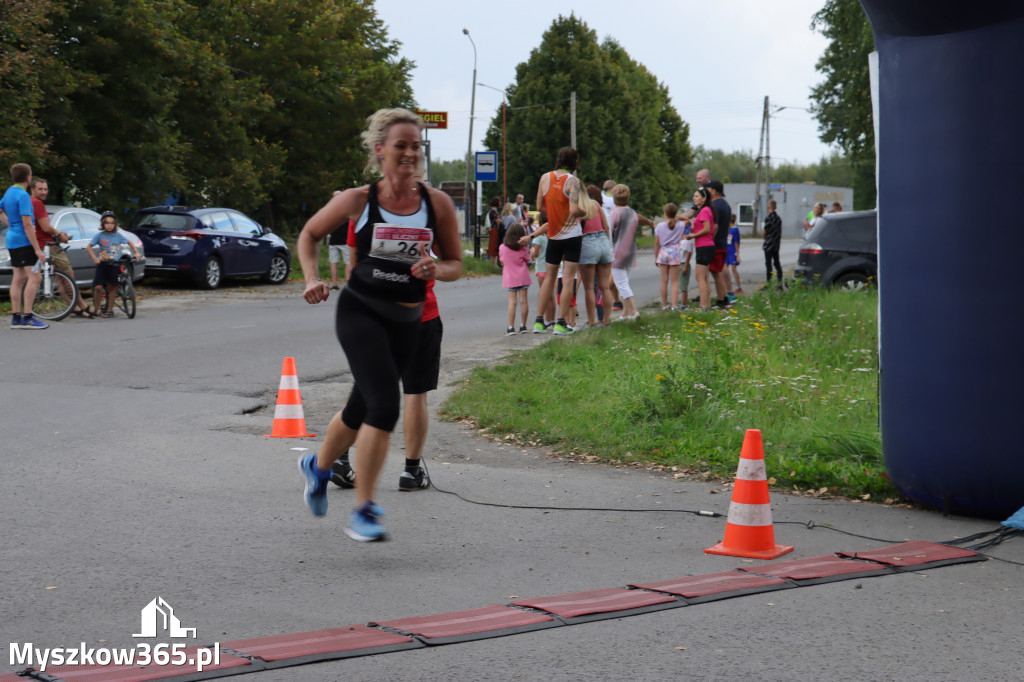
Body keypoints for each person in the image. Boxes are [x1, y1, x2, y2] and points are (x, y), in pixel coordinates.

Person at [295, 108, 462, 542]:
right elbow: (309, 234)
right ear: (380, 151)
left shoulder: (436, 204)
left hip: (408, 319)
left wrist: (435, 271)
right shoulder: (358, 200)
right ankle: (364, 509)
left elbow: (456, 264)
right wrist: (312, 278)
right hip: (361, 312)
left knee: (359, 408)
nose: (410, 154)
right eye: (400, 145)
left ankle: (317, 466)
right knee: (385, 405)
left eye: (416, 146)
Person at [520, 147, 586, 335]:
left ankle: (539, 322)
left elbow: (540, 206)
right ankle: (561, 322)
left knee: (549, 278)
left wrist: (555, 214)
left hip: (553, 235)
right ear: (575, 163)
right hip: (572, 234)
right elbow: (574, 210)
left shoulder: (544, 177)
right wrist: (585, 211)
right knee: (567, 279)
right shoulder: (574, 181)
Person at [30, 177, 94, 318]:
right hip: (47, 245)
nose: (43, 192)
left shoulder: (28, 202)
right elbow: (46, 227)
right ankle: (82, 305)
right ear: (32, 189)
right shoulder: (37, 203)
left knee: (60, 278)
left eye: (45, 189)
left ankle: (74, 307)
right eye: (40, 189)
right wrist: (60, 234)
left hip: (38, 244)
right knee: (68, 275)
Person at [1, 163, 49, 330]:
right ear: (28, 178)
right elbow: (28, 224)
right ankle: (27, 317)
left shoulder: (8, 193)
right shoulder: (23, 196)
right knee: (35, 278)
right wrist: (37, 249)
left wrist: (10, 224)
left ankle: (16, 318)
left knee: (19, 278)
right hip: (24, 241)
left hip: (12, 240)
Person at [609, 183, 650, 321]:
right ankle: (625, 313)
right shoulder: (633, 213)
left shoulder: (614, 214)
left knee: (621, 283)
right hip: (630, 250)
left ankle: (634, 311)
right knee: (624, 280)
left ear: (614, 198)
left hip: (617, 251)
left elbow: (610, 234)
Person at [88, 212, 141, 318]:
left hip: (114, 265)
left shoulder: (118, 236)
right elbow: (89, 247)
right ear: (103, 224)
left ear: (115, 224)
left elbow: (129, 242)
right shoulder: (99, 236)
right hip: (102, 265)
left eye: (112, 223)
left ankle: (109, 309)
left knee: (112, 287)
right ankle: (97, 308)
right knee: (98, 287)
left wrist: (136, 252)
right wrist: (95, 258)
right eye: (107, 223)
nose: (109, 225)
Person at [579, 185, 614, 327]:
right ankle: (605, 320)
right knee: (605, 286)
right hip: (603, 242)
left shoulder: (579, 207)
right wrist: (606, 243)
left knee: (589, 288)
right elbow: (606, 226)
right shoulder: (596, 205)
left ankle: (592, 321)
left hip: (587, 242)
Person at [682, 186, 716, 311]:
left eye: (696, 196)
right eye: (694, 196)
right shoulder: (704, 210)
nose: (694, 198)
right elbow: (703, 227)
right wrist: (692, 230)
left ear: (704, 198)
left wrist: (693, 236)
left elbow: (707, 229)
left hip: (704, 246)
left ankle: (703, 305)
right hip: (706, 245)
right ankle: (707, 305)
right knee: (705, 277)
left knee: (700, 277)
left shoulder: (705, 210)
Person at [499, 223, 531, 334]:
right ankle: (523, 326)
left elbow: (502, 260)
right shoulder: (523, 248)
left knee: (512, 302)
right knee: (524, 302)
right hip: (522, 276)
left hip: (510, 278)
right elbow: (527, 259)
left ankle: (511, 327)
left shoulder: (502, 247)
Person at [705, 180, 733, 307]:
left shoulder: (714, 206)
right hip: (723, 243)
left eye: (708, 189)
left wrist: (709, 239)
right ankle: (725, 297)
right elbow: (727, 226)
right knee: (718, 270)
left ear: (714, 191)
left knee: (716, 273)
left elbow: (714, 226)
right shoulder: (726, 205)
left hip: (715, 243)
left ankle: (721, 300)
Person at [654, 203, 685, 311]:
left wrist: (656, 257)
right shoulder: (680, 225)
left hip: (663, 253)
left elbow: (657, 243)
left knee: (664, 281)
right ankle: (675, 305)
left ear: (665, 213)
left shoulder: (659, 226)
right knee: (675, 281)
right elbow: (686, 220)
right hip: (674, 253)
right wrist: (678, 217)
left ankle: (665, 305)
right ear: (676, 213)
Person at [529, 221, 554, 333]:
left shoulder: (538, 237)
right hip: (551, 266)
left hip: (541, 268)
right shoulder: (552, 234)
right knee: (551, 296)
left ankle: (547, 320)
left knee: (545, 295)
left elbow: (536, 254)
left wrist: (531, 250)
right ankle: (551, 320)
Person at [762, 198, 783, 287]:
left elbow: (765, 231)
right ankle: (779, 283)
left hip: (769, 244)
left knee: (768, 264)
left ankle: (769, 283)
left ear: (768, 207)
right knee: (777, 263)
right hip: (776, 244)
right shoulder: (778, 218)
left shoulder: (768, 218)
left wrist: (765, 238)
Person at [327, 214, 351, 290]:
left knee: (333, 262)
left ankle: (334, 284)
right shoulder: (347, 213)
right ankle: (347, 284)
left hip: (333, 241)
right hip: (345, 240)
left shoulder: (332, 214)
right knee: (348, 262)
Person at [678, 222, 694, 309]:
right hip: (679, 264)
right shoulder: (680, 240)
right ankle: (682, 302)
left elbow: (689, 253)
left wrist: (686, 265)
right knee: (681, 284)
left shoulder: (687, 241)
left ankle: (684, 304)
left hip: (684, 263)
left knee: (683, 285)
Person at [726, 213, 742, 295]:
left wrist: (737, 255)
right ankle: (726, 286)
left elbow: (736, 242)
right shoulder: (728, 230)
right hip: (727, 252)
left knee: (733, 269)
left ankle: (738, 287)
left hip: (733, 252)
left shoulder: (735, 230)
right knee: (725, 269)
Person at [486, 196, 501, 266]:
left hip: (495, 230)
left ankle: (494, 264)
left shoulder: (494, 211)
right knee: (493, 246)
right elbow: (497, 220)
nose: (500, 203)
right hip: (494, 230)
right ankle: (493, 264)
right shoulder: (493, 211)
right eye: (499, 202)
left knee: (495, 245)